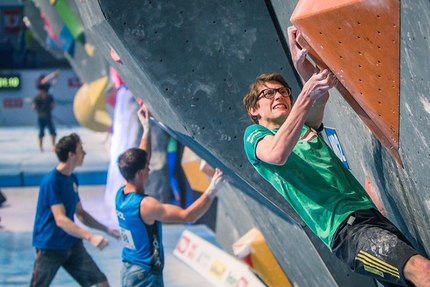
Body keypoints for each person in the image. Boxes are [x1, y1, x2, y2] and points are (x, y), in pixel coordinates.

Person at [242, 25, 430, 287]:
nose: (279, 96)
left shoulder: (304, 128)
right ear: (254, 109)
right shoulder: (255, 136)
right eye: (268, 93)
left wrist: (300, 63)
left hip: (367, 214)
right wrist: (305, 96)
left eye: (283, 91)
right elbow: (276, 154)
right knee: (423, 271)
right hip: (345, 231)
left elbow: (320, 96)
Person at [115, 98, 225, 287]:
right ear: (140, 173)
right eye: (147, 168)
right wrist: (213, 188)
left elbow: (142, 158)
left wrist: (147, 128)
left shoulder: (121, 193)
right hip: (145, 275)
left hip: (130, 269)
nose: (150, 169)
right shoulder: (146, 206)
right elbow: (186, 216)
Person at [30, 133, 121, 286]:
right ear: (71, 155)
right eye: (81, 150)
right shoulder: (51, 181)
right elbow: (60, 219)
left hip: (71, 243)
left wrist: (107, 229)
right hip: (50, 245)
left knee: (101, 282)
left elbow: (81, 214)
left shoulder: (72, 178)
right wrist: (90, 237)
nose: (84, 154)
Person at [32, 70, 60, 152]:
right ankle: (53, 146)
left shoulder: (37, 97)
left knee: (41, 132)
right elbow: (53, 105)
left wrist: (55, 76)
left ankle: (41, 148)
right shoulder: (48, 95)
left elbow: (33, 108)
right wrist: (53, 74)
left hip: (40, 116)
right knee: (51, 131)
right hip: (47, 115)